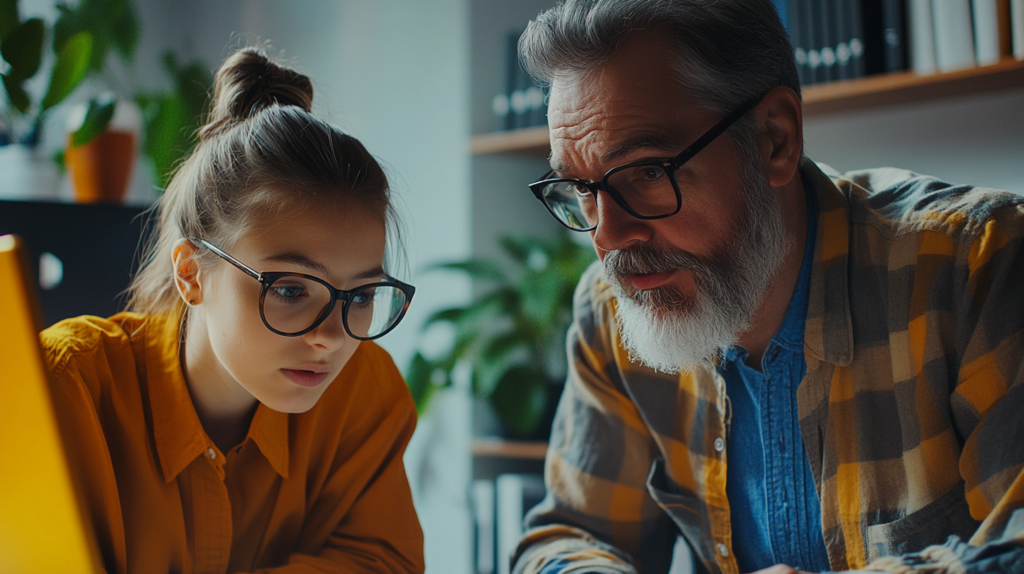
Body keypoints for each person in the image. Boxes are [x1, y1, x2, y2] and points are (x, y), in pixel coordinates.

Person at [510, 2, 1024, 573]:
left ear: (775, 138)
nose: (607, 237)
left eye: (648, 172)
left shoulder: (979, 265)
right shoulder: (614, 308)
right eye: (580, 188)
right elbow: (569, 534)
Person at [39, 47, 424, 573]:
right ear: (191, 273)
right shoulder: (64, 387)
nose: (332, 338)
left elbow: (382, 562)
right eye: (290, 290)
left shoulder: (366, 393)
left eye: (360, 297)